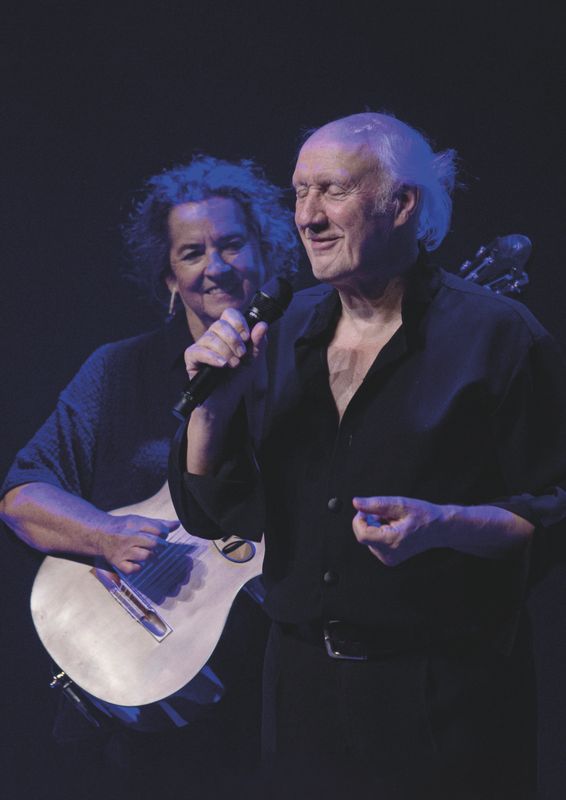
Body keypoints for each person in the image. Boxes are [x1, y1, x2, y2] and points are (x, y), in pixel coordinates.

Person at [168, 114, 566, 799]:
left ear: (402, 204)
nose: (308, 216)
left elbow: (555, 510)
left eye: (333, 190)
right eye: (300, 192)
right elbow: (220, 517)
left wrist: (445, 525)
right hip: (303, 695)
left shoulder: (499, 336)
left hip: (443, 701)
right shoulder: (281, 331)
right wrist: (212, 408)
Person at [0, 154, 298, 798]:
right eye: (192, 253)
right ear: (169, 276)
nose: (215, 266)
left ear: (265, 252)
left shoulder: (314, 371)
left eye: (232, 244)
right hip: (135, 715)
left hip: (266, 699)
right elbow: (22, 494)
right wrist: (103, 534)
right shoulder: (119, 371)